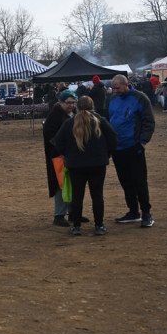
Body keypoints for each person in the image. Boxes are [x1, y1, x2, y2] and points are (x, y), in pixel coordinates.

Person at [51, 96, 118, 236]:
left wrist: (68, 154)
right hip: (97, 164)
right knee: (97, 195)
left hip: (76, 164)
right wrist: (106, 154)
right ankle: (99, 225)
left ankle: (76, 226)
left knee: (77, 195)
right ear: (92, 106)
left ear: (77, 106)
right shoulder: (100, 121)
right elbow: (114, 139)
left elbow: (57, 142)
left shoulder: (69, 123)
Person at [108, 74, 156, 228]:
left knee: (139, 180)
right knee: (125, 181)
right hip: (117, 148)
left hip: (134, 146)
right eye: (113, 88)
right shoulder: (112, 99)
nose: (115, 91)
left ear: (126, 84)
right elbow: (109, 120)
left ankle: (146, 213)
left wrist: (143, 141)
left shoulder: (140, 98)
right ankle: (133, 211)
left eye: (118, 88)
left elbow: (149, 121)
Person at [43, 90, 77, 227]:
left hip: (73, 155)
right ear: (61, 103)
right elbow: (50, 136)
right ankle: (59, 215)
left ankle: (74, 212)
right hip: (58, 157)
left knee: (74, 185)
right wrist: (62, 148)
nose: (71, 105)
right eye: (68, 103)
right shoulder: (55, 116)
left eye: (73, 103)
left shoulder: (74, 114)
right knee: (61, 186)